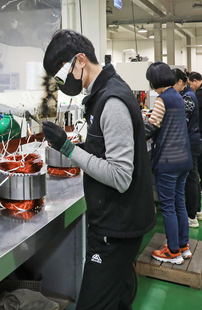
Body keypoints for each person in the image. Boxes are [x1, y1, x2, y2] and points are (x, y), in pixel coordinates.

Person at [42, 30, 156, 310]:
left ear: (80, 61)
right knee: (118, 299)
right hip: (118, 220)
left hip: (117, 227)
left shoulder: (112, 101)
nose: (61, 83)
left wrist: (67, 148)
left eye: (61, 75)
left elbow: (120, 176)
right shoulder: (103, 93)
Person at [144, 63, 192, 265]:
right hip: (183, 159)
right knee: (179, 202)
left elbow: (152, 127)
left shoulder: (162, 99)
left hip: (168, 161)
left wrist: (135, 130)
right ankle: (183, 246)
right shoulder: (178, 97)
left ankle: (172, 252)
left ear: (155, 81)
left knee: (167, 206)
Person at [173, 69, 202, 227]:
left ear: (180, 82)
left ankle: (191, 217)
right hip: (194, 141)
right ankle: (197, 211)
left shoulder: (187, 97)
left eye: (172, 84)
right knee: (194, 178)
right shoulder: (187, 95)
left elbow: (181, 122)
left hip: (190, 143)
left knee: (190, 180)